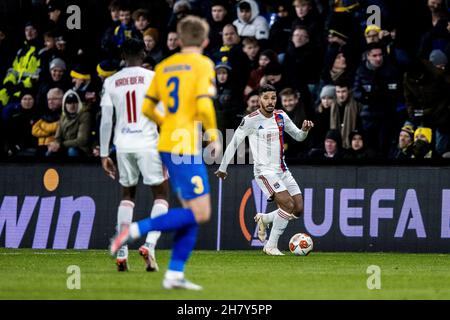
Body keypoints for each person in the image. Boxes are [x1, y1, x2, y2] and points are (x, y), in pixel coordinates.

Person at [110, 16, 220, 290]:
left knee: (191, 211)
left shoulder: (164, 66)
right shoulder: (203, 64)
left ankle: (174, 274)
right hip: (186, 145)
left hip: (167, 142)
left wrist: (169, 121)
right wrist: (214, 135)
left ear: (180, 41)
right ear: (205, 41)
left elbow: (148, 108)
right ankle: (135, 230)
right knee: (202, 212)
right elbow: (204, 105)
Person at [215, 84, 314, 255]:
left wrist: (304, 131)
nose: (270, 101)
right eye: (266, 98)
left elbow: (298, 136)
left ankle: (265, 218)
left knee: (297, 209)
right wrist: (223, 168)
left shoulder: (281, 115)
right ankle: (270, 246)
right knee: (287, 204)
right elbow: (234, 143)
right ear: (260, 99)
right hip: (264, 172)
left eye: (273, 98)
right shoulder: (250, 120)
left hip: (283, 170)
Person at [100, 39, 170, 272]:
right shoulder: (153, 78)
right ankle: (149, 245)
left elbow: (106, 121)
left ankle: (121, 249)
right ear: (144, 53)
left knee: (127, 195)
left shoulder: (111, 82)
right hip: (148, 143)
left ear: (122, 55)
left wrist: (103, 153)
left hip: (123, 145)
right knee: (161, 194)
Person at [47, 90, 92, 157]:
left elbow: (82, 140)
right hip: (64, 146)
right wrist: (55, 144)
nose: (72, 106)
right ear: (64, 105)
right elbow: (58, 137)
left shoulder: (85, 115)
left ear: (79, 103)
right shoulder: (63, 116)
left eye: (74, 102)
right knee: (50, 151)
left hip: (80, 148)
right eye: (69, 103)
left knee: (72, 151)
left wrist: (60, 145)